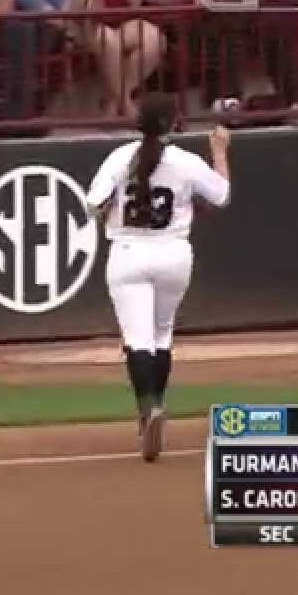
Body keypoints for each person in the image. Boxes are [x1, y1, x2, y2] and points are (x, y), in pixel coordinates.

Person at [85, 93, 232, 462]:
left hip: (128, 254)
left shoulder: (120, 158)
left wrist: (112, 213)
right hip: (174, 254)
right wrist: (220, 151)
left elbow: (92, 205)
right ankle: (156, 405)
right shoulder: (185, 161)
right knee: (162, 333)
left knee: (138, 340)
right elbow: (222, 196)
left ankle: (148, 409)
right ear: (173, 123)